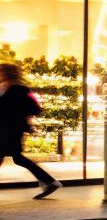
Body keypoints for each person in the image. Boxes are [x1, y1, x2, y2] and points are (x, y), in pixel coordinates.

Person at [0, 63, 61, 198]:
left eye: (2, 71)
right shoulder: (9, 88)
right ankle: (49, 181)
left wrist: (16, 115)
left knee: (16, 157)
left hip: (10, 130)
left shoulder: (18, 89)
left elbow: (34, 108)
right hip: (9, 129)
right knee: (18, 158)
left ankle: (50, 181)